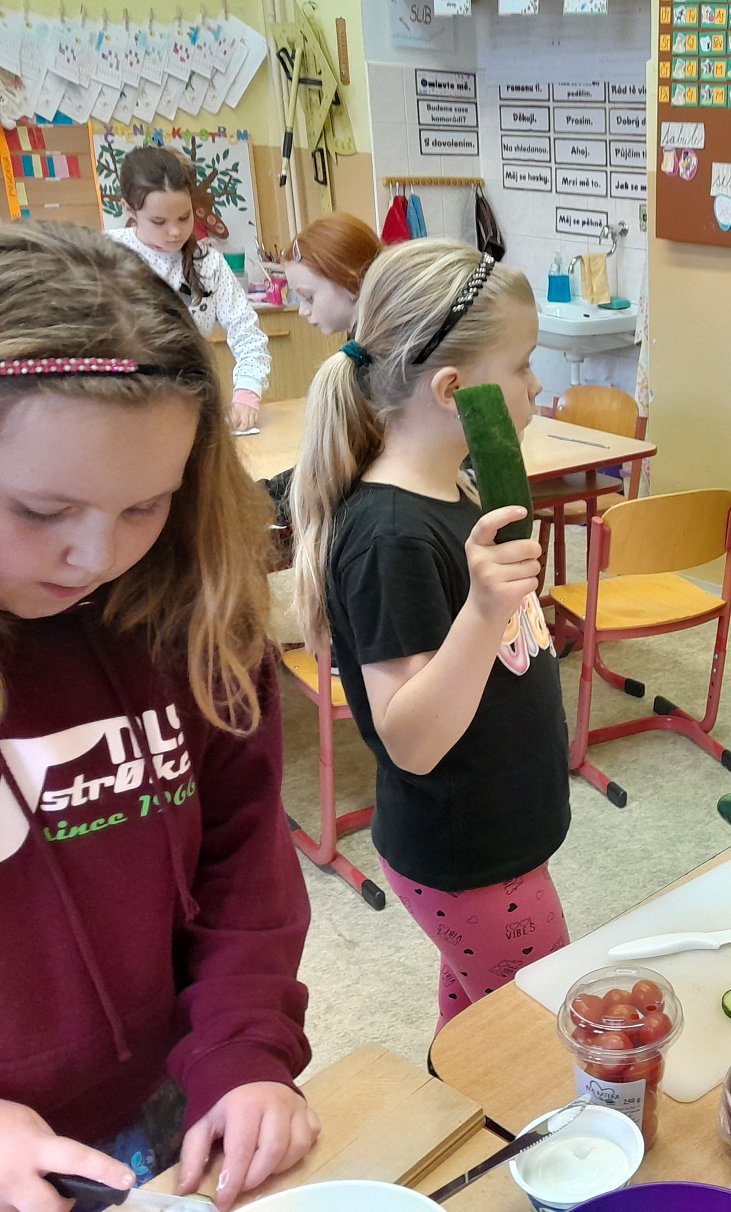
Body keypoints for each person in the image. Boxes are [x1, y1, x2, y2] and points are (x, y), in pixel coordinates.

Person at [0, 223, 316, 1209]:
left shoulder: (191, 617)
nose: (96, 558)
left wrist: (248, 1047)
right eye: (41, 512)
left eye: (147, 507)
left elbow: (243, 853)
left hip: (170, 1100)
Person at [289, 240, 572, 1032]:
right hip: (466, 856)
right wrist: (483, 613)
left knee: (478, 1023)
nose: (535, 385)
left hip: (498, 836)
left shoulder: (458, 490)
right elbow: (410, 740)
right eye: (522, 365)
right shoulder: (391, 536)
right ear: (452, 390)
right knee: (534, 1031)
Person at [108, 147, 271, 435]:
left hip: (190, 406)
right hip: (123, 409)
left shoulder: (208, 264)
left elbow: (247, 333)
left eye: (184, 218)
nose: (175, 232)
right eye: (159, 222)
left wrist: (247, 394)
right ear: (129, 209)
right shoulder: (106, 255)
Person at [284, 212, 384, 336]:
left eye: (309, 298)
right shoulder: (365, 338)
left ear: (352, 281)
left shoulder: (389, 344)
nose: (302, 311)